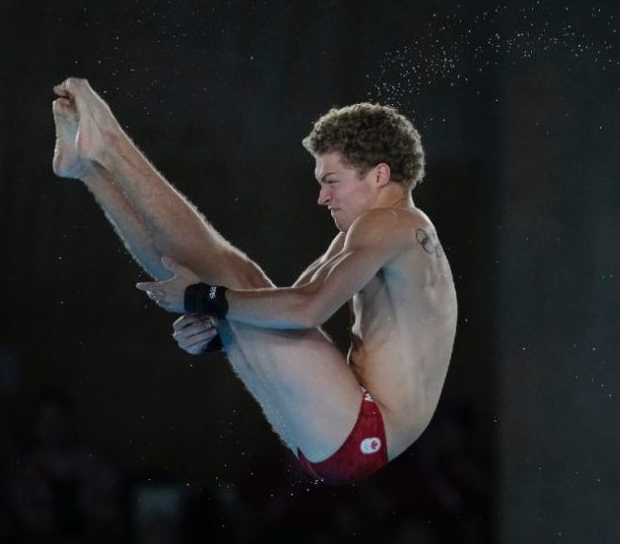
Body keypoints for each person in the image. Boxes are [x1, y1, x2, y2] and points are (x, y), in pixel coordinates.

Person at [52, 77, 456, 484]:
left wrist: (202, 297)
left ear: (380, 175)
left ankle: (110, 146)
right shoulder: (380, 231)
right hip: (345, 431)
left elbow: (306, 310)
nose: (323, 197)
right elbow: (274, 306)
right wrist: (218, 328)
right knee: (229, 282)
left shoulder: (393, 223)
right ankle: (88, 170)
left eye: (332, 181)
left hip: (362, 429)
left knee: (227, 275)